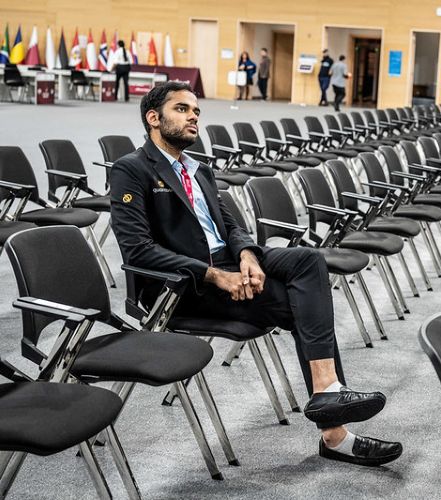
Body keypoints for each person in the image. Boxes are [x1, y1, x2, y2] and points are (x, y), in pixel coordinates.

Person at [109, 81, 402, 467]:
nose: (193, 116)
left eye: (196, 111)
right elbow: (138, 249)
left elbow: (231, 226)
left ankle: (328, 392)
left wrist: (247, 255)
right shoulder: (131, 169)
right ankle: (335, 432)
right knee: (304, 305)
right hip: (184, 285)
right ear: (153, 118)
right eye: (182, 109)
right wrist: (215, 276)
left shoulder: (199, 171)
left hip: (228, 263)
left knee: (308, 260)